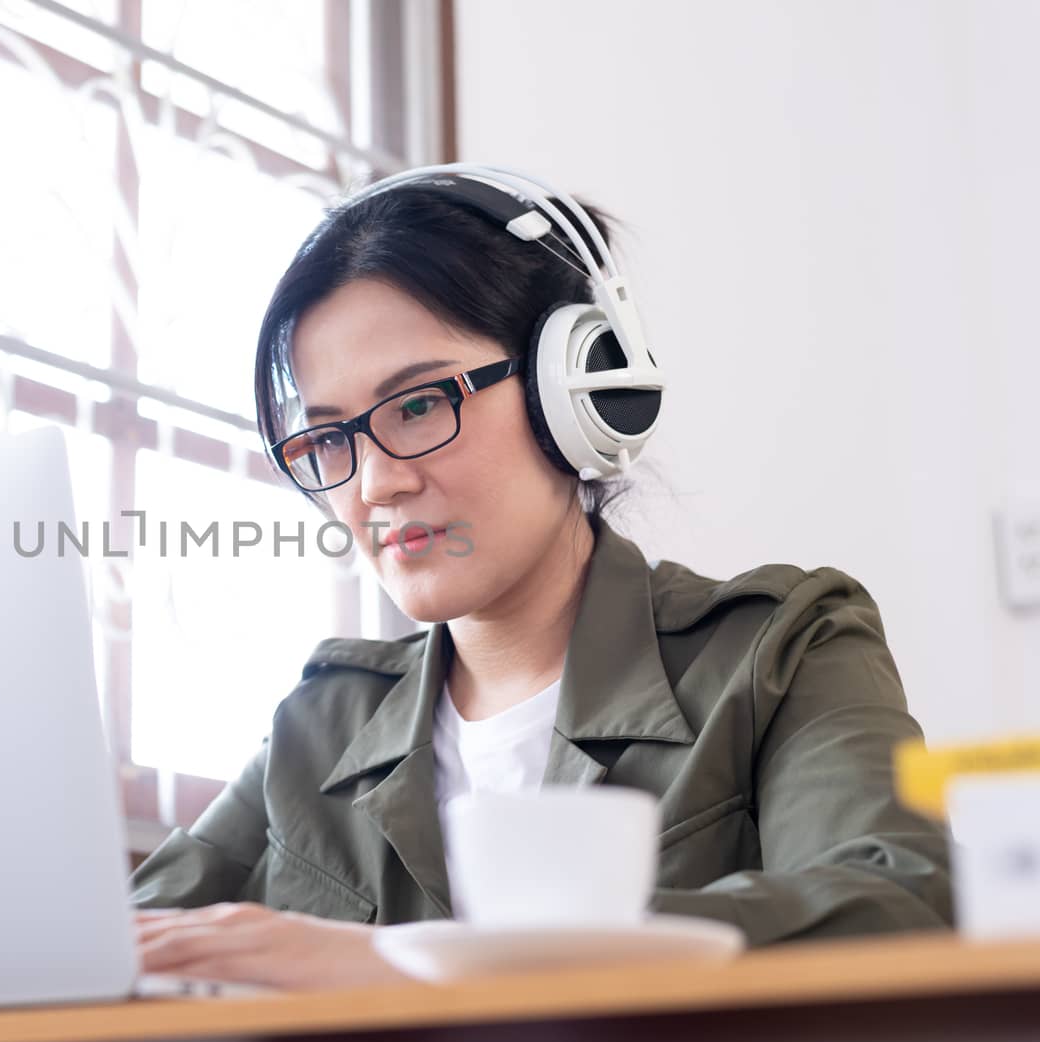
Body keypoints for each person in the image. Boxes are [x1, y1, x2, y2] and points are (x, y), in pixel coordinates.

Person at [128, 164, 953, 991]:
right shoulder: (321, 725)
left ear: (578, 393)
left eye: (419, 405)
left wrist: (412, 966)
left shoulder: (780, 651)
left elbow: (901, 904)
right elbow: (113, 951)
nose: (373, 485)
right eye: (329, 441)